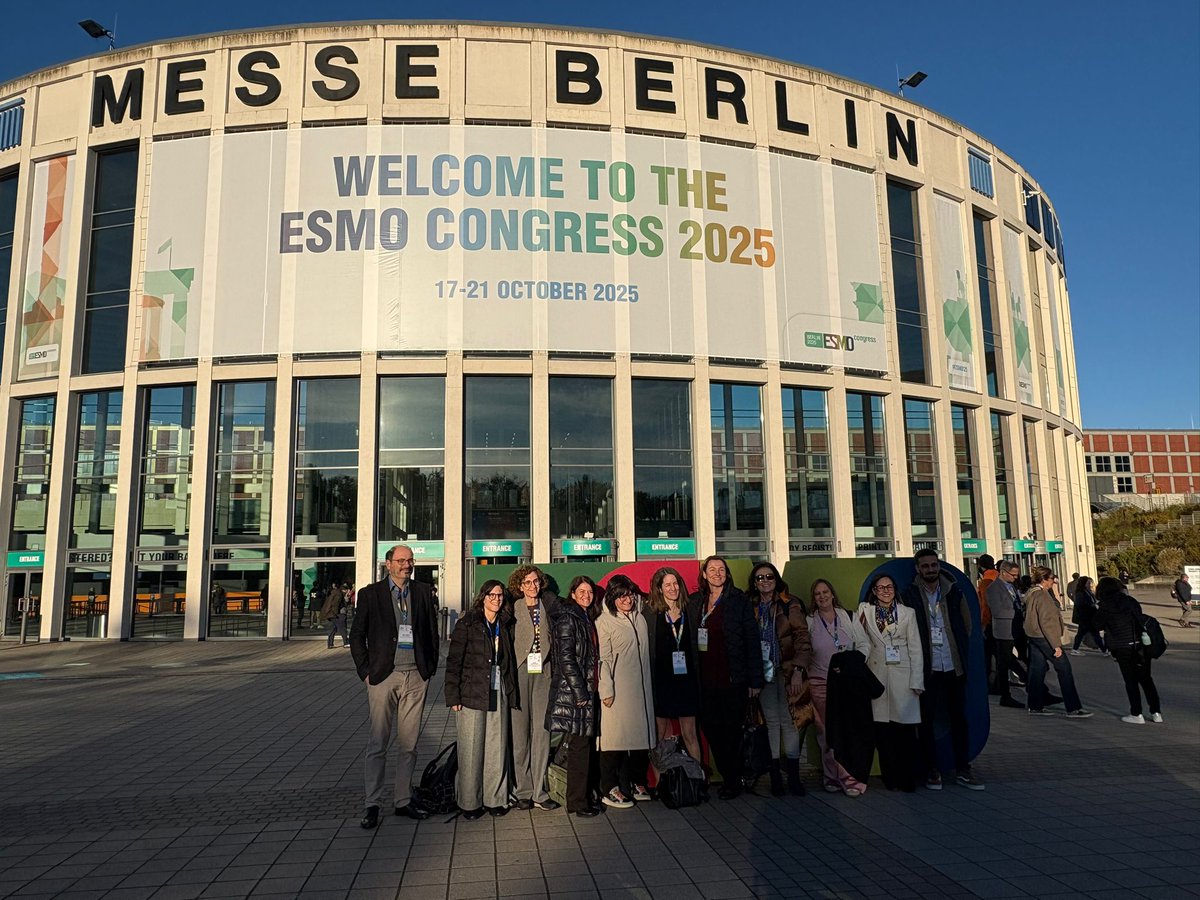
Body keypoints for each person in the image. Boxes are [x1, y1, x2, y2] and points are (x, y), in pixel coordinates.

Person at [350, 544, 439, 828]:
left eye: (410, 560)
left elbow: (431, 632)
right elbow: (356, 636)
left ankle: (403, 800)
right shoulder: (370, 594)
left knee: (409, 744)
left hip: (415, 676)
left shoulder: (423, 592)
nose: (406, 565)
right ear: (388, 564)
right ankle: (372, 803)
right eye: (400, 560)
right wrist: (366, 672)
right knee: (378, 742)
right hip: (383, 676)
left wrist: (429, 669)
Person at [900, 548, 984, 791]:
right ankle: (932, 770)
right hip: (927, 668)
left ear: (939, 566)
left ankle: (963, 769)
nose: (930, 569)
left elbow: (967, 625)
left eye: (934, 565)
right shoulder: (909, 596)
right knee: (926, 721)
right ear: (918, 569)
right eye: (925, 566)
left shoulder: (954, 592)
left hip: (952, 666)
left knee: (959, 719)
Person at [688, 556, 764, 800]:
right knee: (711, 730)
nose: (717, 573)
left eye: (721, 569)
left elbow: (752, 641)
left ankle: (733, 780)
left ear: (727, 574)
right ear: (704, 574)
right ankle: (730, 774)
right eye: (712, 569)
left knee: (732, 732)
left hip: (733, 680)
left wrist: (755, 681)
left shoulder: (738, 601)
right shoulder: (696, 601)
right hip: (704, 681)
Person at [445, 580, 519, 818]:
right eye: (492, 595)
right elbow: (454, 661)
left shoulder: (505, 623)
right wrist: (453, 695)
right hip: (471, 692)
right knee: (471, 748)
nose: (496, 599)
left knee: (497, 747)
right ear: (483, 597)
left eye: (500, 596)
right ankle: (470, 802)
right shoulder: (468, 623)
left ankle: (494, 799)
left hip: (498, 690)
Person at [747, 562, 812, 797]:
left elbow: (802, 637)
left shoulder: (789, 603)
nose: (765, 581)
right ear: (754, 583)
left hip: (787, 672)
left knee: (789, 721)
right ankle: (775, 776)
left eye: (769, 577)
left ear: (776, 579)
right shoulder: (751, 606)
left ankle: (793, 776)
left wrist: (798, 670)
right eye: (760, 578)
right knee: (771, 723)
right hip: (763, 674)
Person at [857, 573, 923, 792]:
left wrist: (917, 680)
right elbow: (861, 640)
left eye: (889, 587)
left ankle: (907, 777)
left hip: (903, 675)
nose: (885, 591)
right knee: (882, 730)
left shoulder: (907, 613)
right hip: (877, 674)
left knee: (904, 730)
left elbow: (915, 647)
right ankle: (890, 777)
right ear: (874, 591)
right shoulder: (865, 611)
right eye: (880, 587)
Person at [595, 578, 656, 809]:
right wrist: (606, 689)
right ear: (612, 598)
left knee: (640, 739)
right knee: (614, 741)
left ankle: (637, 781)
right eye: (621, 595)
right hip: (618, 690)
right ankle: (609, 788)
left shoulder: (640, 617)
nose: (626, 600)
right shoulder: (604, 622)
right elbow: (604, 658)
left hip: (642, 689)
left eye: (629, 594)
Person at [506, 565, 562, 811]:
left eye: (536, 581)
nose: (532, 586)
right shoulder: (512, 608)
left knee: (541, 732)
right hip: (519, 671)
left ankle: (539, 791)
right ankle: (523, 790)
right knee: (519, 735)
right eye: (527, 582)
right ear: (520, 586)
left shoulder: (548, 606)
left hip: (544, 672)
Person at [806, 579, 869, 797]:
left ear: (833, 594)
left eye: (825, 592)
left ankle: (850, 777)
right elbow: (804, 651)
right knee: (826, 733)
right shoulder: (810, 621)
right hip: (820, 683)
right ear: (813, 599)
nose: (822, 596)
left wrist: (853, 665)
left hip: (846, 684)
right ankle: (831, 776)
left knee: (847, 731)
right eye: (817, 594)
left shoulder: (848, 617)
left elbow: (864, 644)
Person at [546, 576, 602, 818]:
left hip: (588, 689)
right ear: (572, 594)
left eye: (589, 591)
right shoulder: (569, 618)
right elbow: (566, 658)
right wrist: (580, 692)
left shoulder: (585, 617)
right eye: (581, 591)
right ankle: (578, 803)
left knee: (584, 745)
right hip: (577, 694)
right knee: (580, 747)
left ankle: (582, 797)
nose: (586, 595)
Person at [643, 567, 702, 765]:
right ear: (659, 589)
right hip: (661, 683)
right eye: (667, 585)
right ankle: (660, 780)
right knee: (659, 735)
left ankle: (696, 778)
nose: (673, 588)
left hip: (687, 682)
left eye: (675, 583)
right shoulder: (650, 613)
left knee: (690, 733)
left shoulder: (690, 610)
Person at [1022, 566, 1093, 720]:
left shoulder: (1031, 593)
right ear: (1044, 579)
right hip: (1045, 637)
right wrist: (1055, 645)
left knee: (1037, 670)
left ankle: (1035, 705)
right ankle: (1073, 708)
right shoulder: (1042, 595)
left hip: (1034, 636)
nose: (1053, 582)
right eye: (1051, 579)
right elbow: (1047, 621)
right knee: (1064, 669)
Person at [1095, 576, 1163, 724]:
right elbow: (1139, 617)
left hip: (1121, 646)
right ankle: (1156, 712)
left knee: (1130, 681)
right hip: (1140, 644)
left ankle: (1136, 713)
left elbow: (1097, 625)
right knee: (1146, 679)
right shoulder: (1130, 601)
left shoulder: (1105, 606)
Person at [984, 560, 1027, 709]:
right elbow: (997, 611)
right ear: (1003, 572)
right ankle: (1005, 695)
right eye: (1013, 575)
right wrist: (1017, 613)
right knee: (1004, 663)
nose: (1015, 577)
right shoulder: (993, 588)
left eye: (1017, 575)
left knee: (1013, 660)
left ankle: (1030, 683)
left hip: (1017, 629)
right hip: (1004, 631)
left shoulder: (1012, 586)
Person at [976, 556, 998, 693]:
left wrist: (983, 624)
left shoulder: (986, 581)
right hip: (1001, 621)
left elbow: (985, 605)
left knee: (988, 654)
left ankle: (989, 683)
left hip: (990, 623)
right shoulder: (998, 577)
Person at [1069, 576, 1106, 655]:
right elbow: (1081, 605)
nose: (1090, 584)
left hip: (1088, 617)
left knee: (1082, 634)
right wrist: (1092, 605)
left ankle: (1075, 649)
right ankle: (1104, 650)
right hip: (1086, 617)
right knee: (1094, 634)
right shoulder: (1081, 593)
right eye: (1088, 582)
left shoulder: (1087, 591)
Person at [323, 582, 349, 649]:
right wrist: (336, 613)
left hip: (331, 614)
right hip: (338, 614)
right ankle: (346, 643)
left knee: (333, 629)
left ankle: (330, 644)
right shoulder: (339, 595)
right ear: (344, 590)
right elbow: (336, 605)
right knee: (342, 629)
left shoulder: (334, 593)